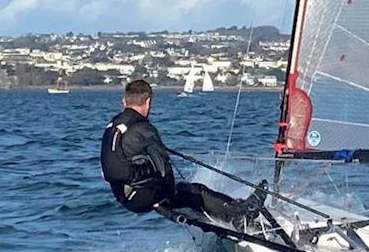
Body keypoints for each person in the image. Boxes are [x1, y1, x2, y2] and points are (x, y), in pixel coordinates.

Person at [100, 79, 265, 223]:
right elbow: (163, 168)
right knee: (196, 191)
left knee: (185, 193)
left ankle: (221, 214)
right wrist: (167, 195)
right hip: (142, 197)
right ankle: (243, 215)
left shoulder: (113, 126)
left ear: (124, 101)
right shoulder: (144, 128)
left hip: (122, 195)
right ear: (148, 102)